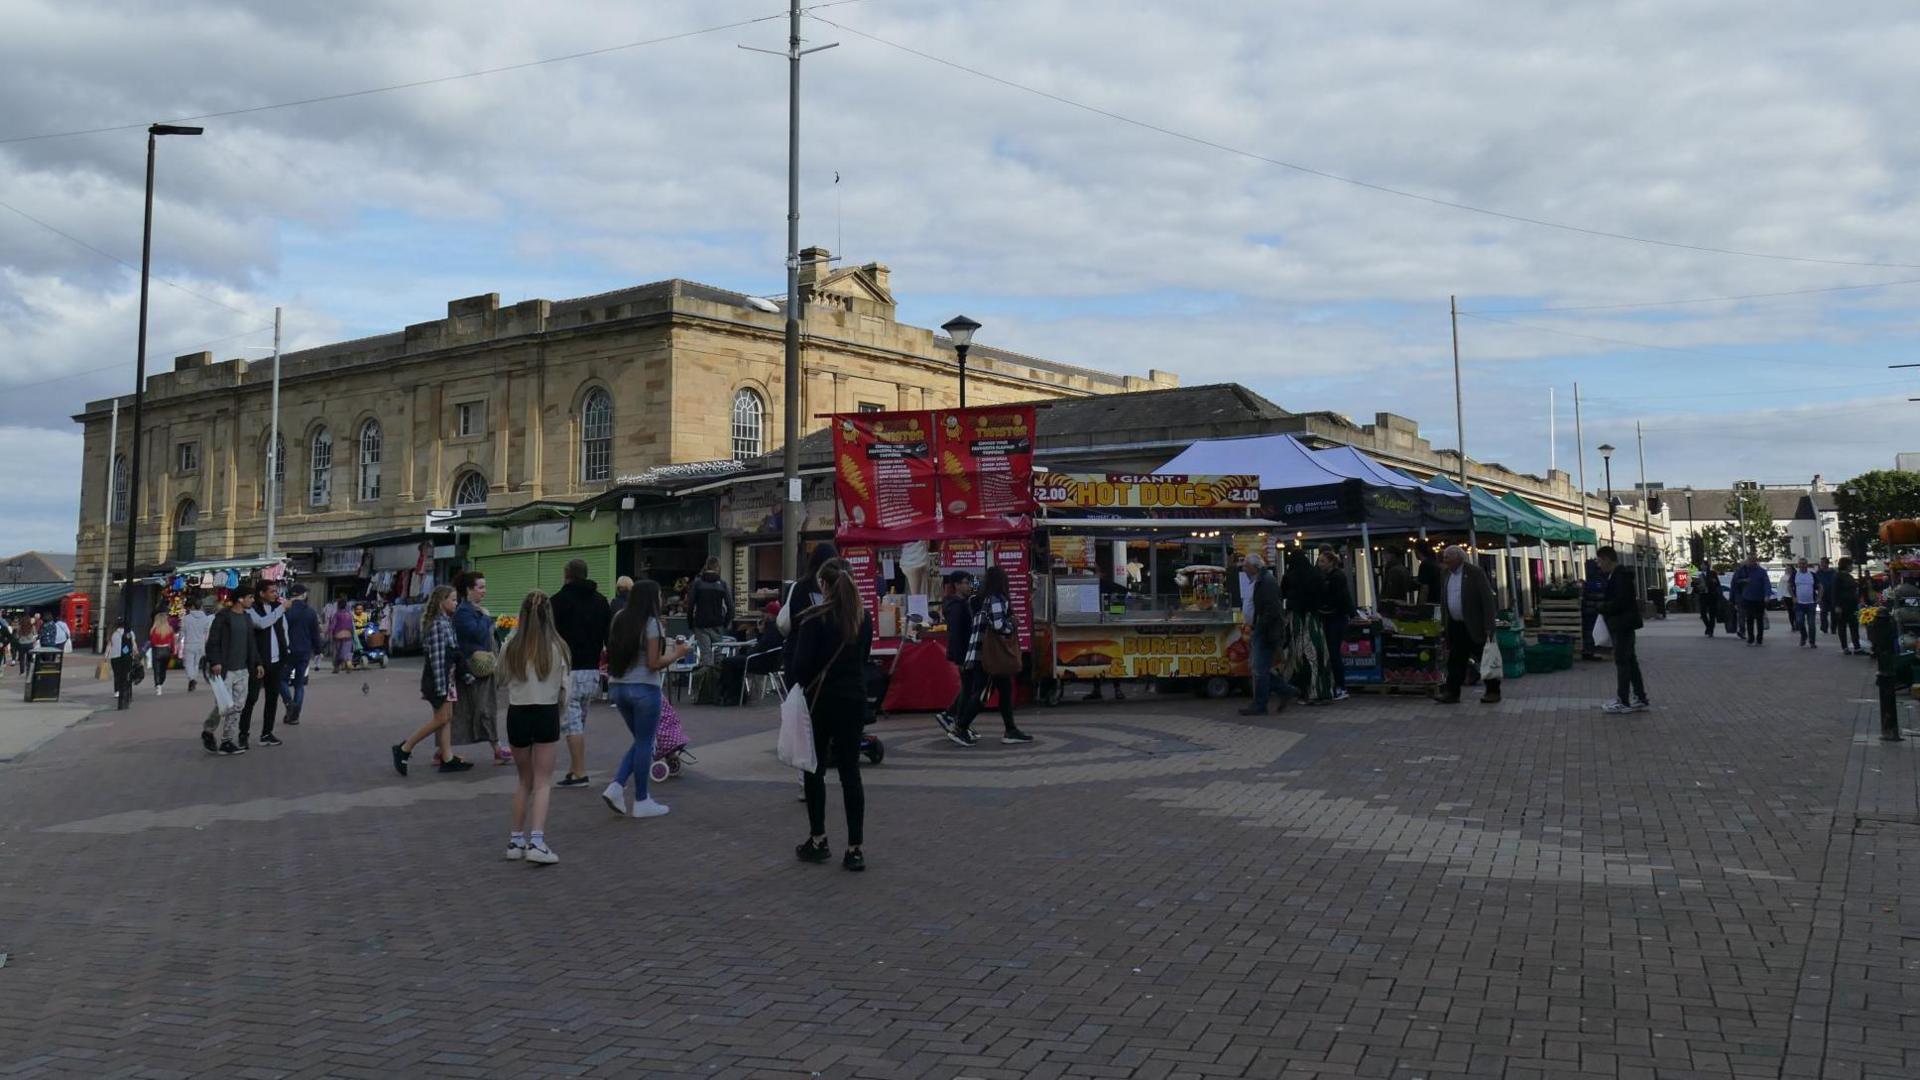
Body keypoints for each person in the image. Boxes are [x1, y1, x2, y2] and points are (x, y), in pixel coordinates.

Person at [789, 558, 875, 871]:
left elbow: (800, 667)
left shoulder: (814, 618)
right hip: (853, 700)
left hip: (820, 702)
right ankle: (855, 848)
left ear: (823, 586)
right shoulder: (862, 620)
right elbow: (863, 657)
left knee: (815, 770)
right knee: (851, 772)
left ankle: (818, 838)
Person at [602, 579, 685, 819]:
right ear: (651, 598)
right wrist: (678, 653)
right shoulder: (652, 624)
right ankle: (641, 799)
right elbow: (653, 663)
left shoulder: (619, 618)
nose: (661, 600)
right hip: (644, 689)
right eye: (659, 596)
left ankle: (617, 787)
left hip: (618, 686)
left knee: (642, 741)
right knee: (646, 742)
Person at [499, 590, 569, 866]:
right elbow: (566, 688)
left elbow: (500, 677)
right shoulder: (558, 647)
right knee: (543, 782)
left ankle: (515, 840)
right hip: (546, 711)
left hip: (517, 712)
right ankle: (537, 842)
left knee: (524, 781)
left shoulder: (511, 645)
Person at [392, 586, 473, 775]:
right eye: (452, 599)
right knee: (441, 718)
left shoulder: (445, 622)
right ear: (441, 602)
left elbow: (454, 654)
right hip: (440, 679)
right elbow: (437, 659)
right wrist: (441, 686)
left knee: (447, 718)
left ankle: (447, 757)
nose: (456, 603)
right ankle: (405, 747)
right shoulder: (438, 624)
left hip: (447, 677)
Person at [947, 564, 1031, 746]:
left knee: (1002, 690)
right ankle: (960, 727)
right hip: (989, 657)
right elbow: (999, 625)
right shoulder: (995, 599)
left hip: (983, 655)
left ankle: (1010, 729)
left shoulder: (983, 599)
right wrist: (1013, 623)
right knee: (982, 694)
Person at [549, 559, 612, 789]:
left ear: (567, 575)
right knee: (579, 721)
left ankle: (580, 773)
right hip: (592, 671)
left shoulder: (556, 602)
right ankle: (573, 769)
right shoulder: (601, 601)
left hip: (568, 671)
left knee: (572, 724)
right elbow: (609, 637)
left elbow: (550, 637)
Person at [449, 571, 510, 765]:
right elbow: (476, 633)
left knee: (471, 710)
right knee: (483, 708)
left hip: (477, 668)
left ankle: (444, 749)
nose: (484, 591)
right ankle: (497, 749)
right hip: (475, 669)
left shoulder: (470, 610)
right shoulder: (465, 613)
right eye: (480, 587)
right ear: (469, 590)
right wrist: (486, 618)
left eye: (484, 587)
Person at [1434, 545, 1500, 705]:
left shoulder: (1474, 573)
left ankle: (1493, 691)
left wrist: (1489, 625)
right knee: (1455, 660)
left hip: (1475, 624)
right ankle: (1452, 692)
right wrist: (1443, 623)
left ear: (1459, 558)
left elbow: (1487, 600)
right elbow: (1444, 600)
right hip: (1456, 625)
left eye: (1448, 558)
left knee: (1485, 658)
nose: (1445, 561)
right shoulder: (1445, 574)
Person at [201, 587, 260, 756]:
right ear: (240, 599)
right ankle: (208, 729)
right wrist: (215, 661)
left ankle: (227, 740)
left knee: (238, 706)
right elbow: (213, 641)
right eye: (250, 597)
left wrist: (257, 663)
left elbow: (251, 643)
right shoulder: (223, 618)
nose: (252, 600)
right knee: (224, 706)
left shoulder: (247, 619)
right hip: (225, 670)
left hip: (243, 669)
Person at [1596, 545, 1649, 713]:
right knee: (1630, 660)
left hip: (1622, 624)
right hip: (1625, 623)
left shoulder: (1620, 577)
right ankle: (1640, 697)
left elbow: (1620, 601)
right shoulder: (1619, 576)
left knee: (1622, 661)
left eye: (1599, 561)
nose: (1598, 565)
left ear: (1606, 559)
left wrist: (1602, 606)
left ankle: (1623, 700)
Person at [239, 580, 290, 748]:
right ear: (261, 593)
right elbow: (261, 624)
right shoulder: (252, 609)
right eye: (272, 591)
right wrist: (282, 609)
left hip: (276, 660)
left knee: (272, 698)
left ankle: (267, 733)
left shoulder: (277, 608)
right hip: (258, 662)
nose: (276, 594)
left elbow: (283, 630)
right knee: (251, 698)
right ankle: (243, 734)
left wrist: (285, 651)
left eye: (276, 591)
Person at [1280, 548, 1333, 705]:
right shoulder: (1316, 574)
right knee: (1318, 656)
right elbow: (1324, 594)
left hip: (1297, 620)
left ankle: (1304, 691)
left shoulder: (1289, 576)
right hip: (1314, 620)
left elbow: (1282, 594)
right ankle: (1323, 690)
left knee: (1300, 657)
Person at [1238, 552, 1286, 716]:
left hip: (1265, 631)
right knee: (1259, 668)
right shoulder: (1258, 581)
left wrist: (1259, 627)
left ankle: (1262, 703)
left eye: (1245, 565)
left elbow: (1271, 609)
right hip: (1259, 628)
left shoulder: (1266, 582)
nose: (1243, 568)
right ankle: (1282, 691)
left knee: (1259, 669)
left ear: (1253, 567)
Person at [720, 600, 784, 701]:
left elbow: (761, 647)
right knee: (735, 662)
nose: (763, 615)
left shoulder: (772, 629)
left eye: (765, 613)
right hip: (768, 661)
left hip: (760, 662)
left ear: (770, 615)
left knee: (728, 662)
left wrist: (760, 634)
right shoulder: (778, 628)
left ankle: (730, 694)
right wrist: (761, 632)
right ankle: (737, 695)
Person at [1315, 547, 1356, 701]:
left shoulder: (1336, 577)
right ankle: (1338, 685)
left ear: (1331, 562)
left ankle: (1341, 686)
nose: (1319, 564)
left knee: (1334, 653)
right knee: (1333, 653)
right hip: (1335, 617)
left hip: (1335, 618)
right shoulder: (1331, 576)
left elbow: (1339, 597)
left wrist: (1327, 608)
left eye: (1322, 561)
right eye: (1319, 561)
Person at [935, 571, 975, 731]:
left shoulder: (961, 603)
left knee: (968, 687)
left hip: (965, 652)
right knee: (968, 688)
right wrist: (961, 657)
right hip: (963, 653)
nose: (969, 586)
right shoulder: (957, 606)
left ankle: (955, 717)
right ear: (957, 585)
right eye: (966, 582)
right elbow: (957, 634)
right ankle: (956, 719)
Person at [280, 584, 322, 725]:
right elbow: (315, 633)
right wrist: (318, 650)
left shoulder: (285, 610)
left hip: (288, 650)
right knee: (299, 684)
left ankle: (289, 704)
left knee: (282, 680)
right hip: (304, 651)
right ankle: (295, 714)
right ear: (303, 595)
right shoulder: (310, 612)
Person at [686, 556, 733, 666]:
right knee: (719, 655)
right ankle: (719, 680)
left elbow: (690, 605)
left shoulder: (697, 583)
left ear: (706, 566)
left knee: (705, 655)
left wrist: (691, 623)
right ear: (717, 567)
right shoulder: (722, 584)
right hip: (717, 624)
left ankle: (707, 680)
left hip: (701, 624)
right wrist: (725, 623)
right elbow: (730, 606)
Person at [1736, 552, 1773, 646]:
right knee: (1749, 619)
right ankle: (1751, 638)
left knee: (1759, 619)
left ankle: (1759, 638)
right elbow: (1736, 581)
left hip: (1759, 598)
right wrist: (1743, 580)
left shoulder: (1761, 571)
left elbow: (1766, 583)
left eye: (1753, 560)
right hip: (1747, 598)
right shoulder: (1743, 570)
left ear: (1756, 561)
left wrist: (1767, 595)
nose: (1751, 562)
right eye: (1749, 560)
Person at [179, 597, 214, 692]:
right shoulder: (206, 619)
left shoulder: (186, 619)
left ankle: (192, 679)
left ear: (192, 607)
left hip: (189, 643)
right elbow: (207, 632)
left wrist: (179, 642)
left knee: (188, 663)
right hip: (200, 644)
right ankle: (193, 678)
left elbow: (182, 632)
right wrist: (205, 642)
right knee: (196, 664)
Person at [1783, 558, 1820, 648]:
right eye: (1801, 564)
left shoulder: (1812, 575)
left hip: (1811, 603)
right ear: (1798, 565)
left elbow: (1820, 586)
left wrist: (1819, 598)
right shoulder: (1795, 575)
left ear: (1807, 564)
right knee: (1800, 622)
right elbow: (1789, 586)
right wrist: (1793, 597)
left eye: (1804, 563)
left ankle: (1812, 642)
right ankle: (1804, 636)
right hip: (1799, 603)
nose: (1802, 565)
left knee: (1811, 624)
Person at [1831, 556, 1864, 655]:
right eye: (1850, 565)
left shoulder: (1849, 576)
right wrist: (1837, 605)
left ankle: (1857, 647)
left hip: (1852, 605)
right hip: (1843, 605)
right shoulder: (1837, 576)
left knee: (1854, 626)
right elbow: (1834, 591)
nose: (1852, 567)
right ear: (1846, 565)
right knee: (1842, 626)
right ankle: (1845, 647)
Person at [105, 619, 140, 711]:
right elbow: (133, 644)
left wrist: (106, 656)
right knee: (127, 673)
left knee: (117, 674)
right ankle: (127, 691)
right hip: (127, 656)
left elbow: (109, 645)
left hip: (115, 656)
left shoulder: (113, 633)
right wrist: (136, 653)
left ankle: (117, 691)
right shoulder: (130, 633)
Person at [146, 611, 175, 696]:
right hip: (166, 650)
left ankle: (158, 685)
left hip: (157, 650)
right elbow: (172, 642)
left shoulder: (154, 630)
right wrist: (172, 651)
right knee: (163, 669)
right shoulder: (169, 629)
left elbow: (153, 642)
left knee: (157, 669)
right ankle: (161, 681)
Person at [327, 600, 356, 673]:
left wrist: (329, 634)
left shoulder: (337, 614)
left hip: (338, 636)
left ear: (338, 606)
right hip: (348, 635)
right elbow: (352, 626)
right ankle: (348, 662)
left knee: (337, 653)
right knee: (346, 651)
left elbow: (333, 625)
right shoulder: (349, 614)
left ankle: (336, 667)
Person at [1694, 565, 1722, 638]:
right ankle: (1708, 627)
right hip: (1703, 596)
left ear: (1707, 566)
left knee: (1712, 614)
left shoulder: (1712, 573)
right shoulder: (1699, 575)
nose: (1702, 566)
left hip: (1712, 596)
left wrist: (1714, 582)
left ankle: (1711, 630)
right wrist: (1697, 586)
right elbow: (1695, 587)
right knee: (1703, 613)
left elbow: (1718, 584)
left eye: (1703, 565)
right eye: (1701, 565)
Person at [1816, 557, 1836, 635]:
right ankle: (1824, 628)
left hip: (1832, 595)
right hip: (1822, 595)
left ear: (1827, 563)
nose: (1821, 564)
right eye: (1821, 563)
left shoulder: (1833, 572)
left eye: (1823, 562)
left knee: (1834, 613)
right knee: (1823, 612)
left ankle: (1833, 628)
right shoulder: (1818, 573)